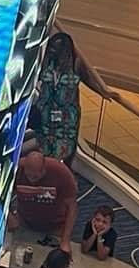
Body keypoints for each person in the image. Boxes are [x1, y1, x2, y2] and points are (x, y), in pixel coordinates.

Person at [32, 28, 91, 163]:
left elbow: (89, 80)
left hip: (66, 117)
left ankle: (62, 170)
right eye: (51, 46)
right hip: (45, 112)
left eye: (56, 48)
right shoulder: (46, 63)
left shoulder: (75, 65)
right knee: (45, 145)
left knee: (64, 146)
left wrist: (105, 93)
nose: (52, 50)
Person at [8, 136, 77, 250]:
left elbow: (72, 206)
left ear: (44, 168)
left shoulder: (61, 172)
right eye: (28, 175)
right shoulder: (15, 169)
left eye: (36, 176)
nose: (32, 180)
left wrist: (65, 240)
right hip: (24, 223)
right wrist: (9, 216)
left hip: (55, 226)